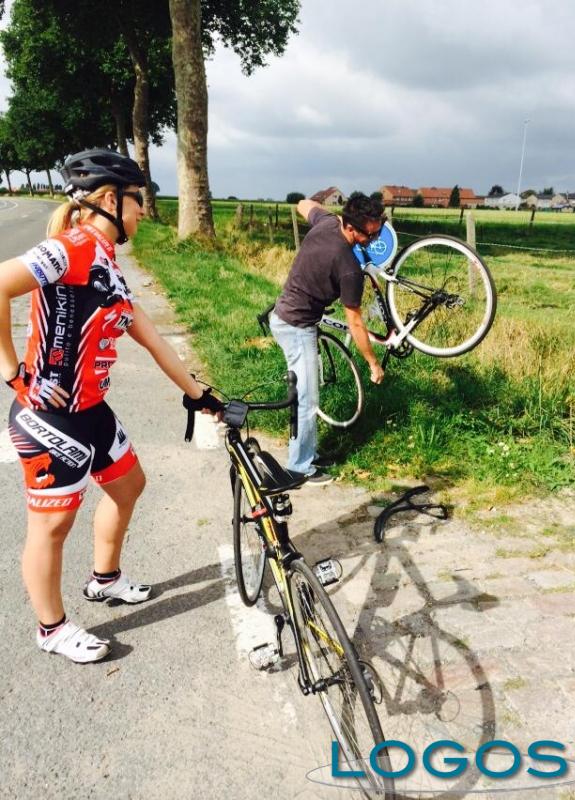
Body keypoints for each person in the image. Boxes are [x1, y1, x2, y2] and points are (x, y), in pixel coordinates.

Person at [0, 149, 220, 663]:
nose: (143, 209)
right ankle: (51, 628)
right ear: (108, 199)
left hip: (93, 411)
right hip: (51, 417)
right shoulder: (71, 248)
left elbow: (153, 339)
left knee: (128, 485)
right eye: (137, 199)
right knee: (52, 527)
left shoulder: (106, 263)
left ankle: (105, 579)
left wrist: (200, 396)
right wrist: (12, 372)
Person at [270, 192, 385, 485]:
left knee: (307, 393)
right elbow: (355, 323)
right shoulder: (348, 267)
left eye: (378, 232)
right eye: (368, 235)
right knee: (307, 399)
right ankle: (299, 468)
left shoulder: (327, 221)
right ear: (350, 227)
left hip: (285, 314)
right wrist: (373, 363)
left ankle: (307, 452)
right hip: (296, 327)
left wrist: (319, 205)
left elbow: (303, 204)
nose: (372, 240)